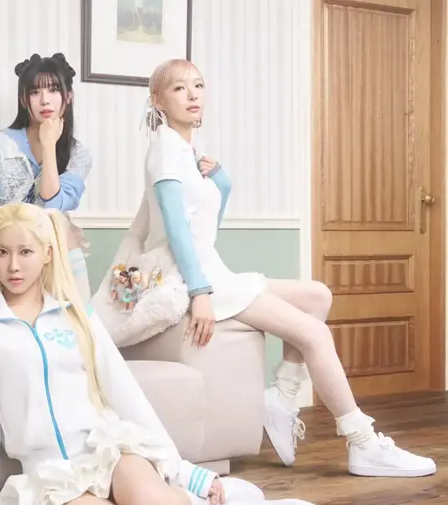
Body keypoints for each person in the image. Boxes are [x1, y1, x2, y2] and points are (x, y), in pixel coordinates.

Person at [92, 58, 436, 479]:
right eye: (180, 88)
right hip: (195, 278)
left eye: (198, 85)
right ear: (158, 100)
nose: (193, 94)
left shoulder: (186, 151)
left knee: (318, 296)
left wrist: (222, 182)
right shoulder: (165, 149)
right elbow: (177, 231)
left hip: (208, 268)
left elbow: (203, 230)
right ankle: (362, 441)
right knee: (314, 334)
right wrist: (200, 293)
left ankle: (282, 398)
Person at [0, 202, 315, 505]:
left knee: (149, 498)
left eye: (25, 251)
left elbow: (124, 393)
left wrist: (182, 470)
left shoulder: (76, 315)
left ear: (48, 254)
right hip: (50, 477)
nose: (13, 266)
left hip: (107, 449)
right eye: (2, 252)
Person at [0, 52, 94, 302]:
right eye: (35, 92)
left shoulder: (77, 154)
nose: (44, 100)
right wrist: (18, 233)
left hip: (49, 244)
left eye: (53, 90)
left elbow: (53, 205)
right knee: (51, 235)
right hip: (1, 241)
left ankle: (83, 316)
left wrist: (49, 146)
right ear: (24, 99)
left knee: (60, 226)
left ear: (68, 96)